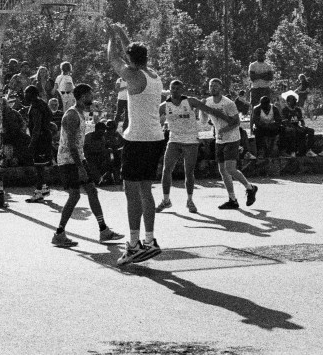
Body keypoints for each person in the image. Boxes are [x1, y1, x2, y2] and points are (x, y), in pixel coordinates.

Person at [106, 25, 169, 266]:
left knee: (131, 193)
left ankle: (133, 245)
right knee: (146, 191)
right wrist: (122, 34)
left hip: (137, 140)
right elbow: (130, 52)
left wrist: (111, 37)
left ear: (131, 60)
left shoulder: (132, 76)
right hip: (155, 138)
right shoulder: (153, 75)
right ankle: (149, 240)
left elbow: (113, 58)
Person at [50, 82, 123, 249]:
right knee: (74, 196)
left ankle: (103, 230)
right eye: (90, 95)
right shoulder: (72, 115)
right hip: (69, 161)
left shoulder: (80, 114)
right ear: (83, 97)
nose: (92, 97)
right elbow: (70, 144)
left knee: (92, 191)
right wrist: (80, 167)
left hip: (77, 159)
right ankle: (59, 233)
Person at [202, 77, 259, 211]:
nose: (213, 88)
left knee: (230, 169)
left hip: (232, 138)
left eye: (216, 86)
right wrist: (202, 109)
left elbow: (236, 122)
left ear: (221, 88)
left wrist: (223, 130)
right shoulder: (208, 101)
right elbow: (203, 122)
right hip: (219, 139)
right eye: (211, 86)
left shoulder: (228, 103)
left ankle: (250, 188)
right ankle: (232, 199)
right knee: (222, 170)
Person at [157, 79, 208, 214]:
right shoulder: (164, 106)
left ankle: (190, 200)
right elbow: (154, 121)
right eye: (173, 88)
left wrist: (226, 120)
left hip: (191, 140)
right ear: (169, 90)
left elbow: (208, 111)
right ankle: (166, 200)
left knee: (189, 172)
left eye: (178, 88)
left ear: (182, 90)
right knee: (166, 169)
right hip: (174, 140)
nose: (175, 91)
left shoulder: (190, 101)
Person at [22, 85, 54, 202]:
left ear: (32, 94)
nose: (25, 95)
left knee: (39, 166)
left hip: (40, 139)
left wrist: (32, 143)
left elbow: (37, 126)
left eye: (26, 93)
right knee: (42, 164)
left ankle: (38, 192)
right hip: (45, 137)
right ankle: (44, 188)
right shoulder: (42, 104)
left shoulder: (36, 107)